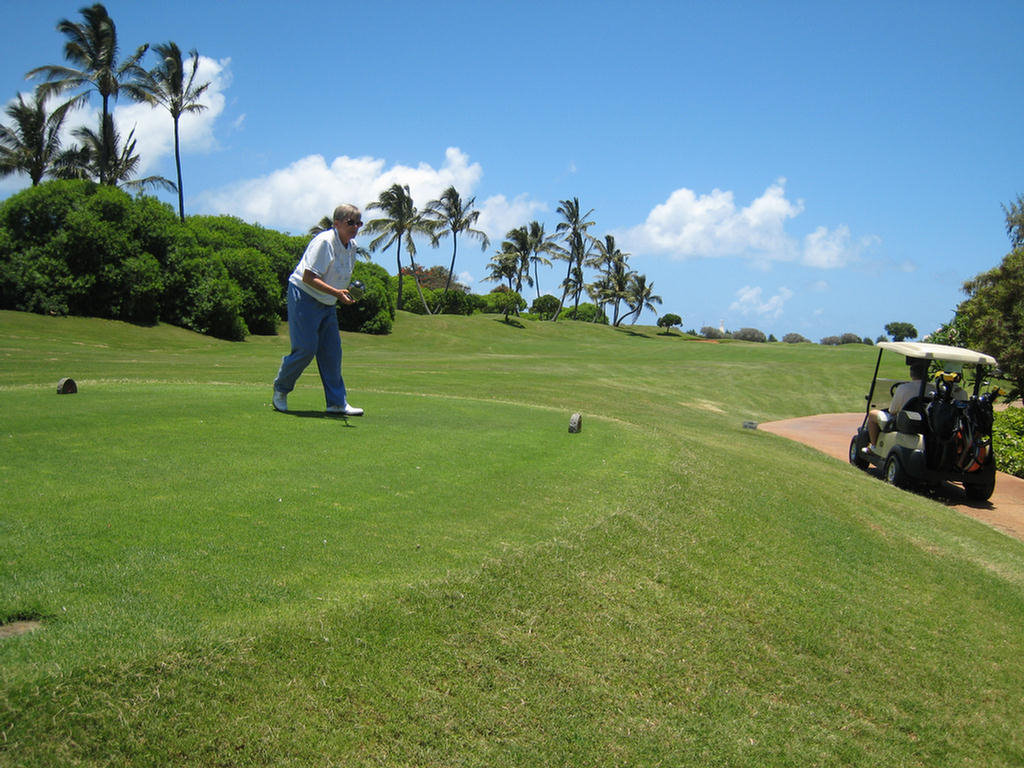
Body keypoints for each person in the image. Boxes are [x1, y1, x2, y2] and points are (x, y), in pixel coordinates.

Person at [272, 204, 364, 416]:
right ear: (337, 223)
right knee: (305, 349)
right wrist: (337, 293)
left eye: (359, 223)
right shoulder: (324, 242)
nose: (355, 227)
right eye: (350, 222)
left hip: (328, 302)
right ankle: (281, 388)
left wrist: (343, 294)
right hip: (304, 295)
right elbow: (308, 277)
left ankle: (336, 403)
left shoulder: (352, 246)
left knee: (332, 353)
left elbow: (338, 276)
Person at [865, 358, 931, 450]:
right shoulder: (934, 390)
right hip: (926, 424)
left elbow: (892, 410)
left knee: (872, 414)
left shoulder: (903, 388)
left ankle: (874, 446)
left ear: (911, 373)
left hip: (903, 423)